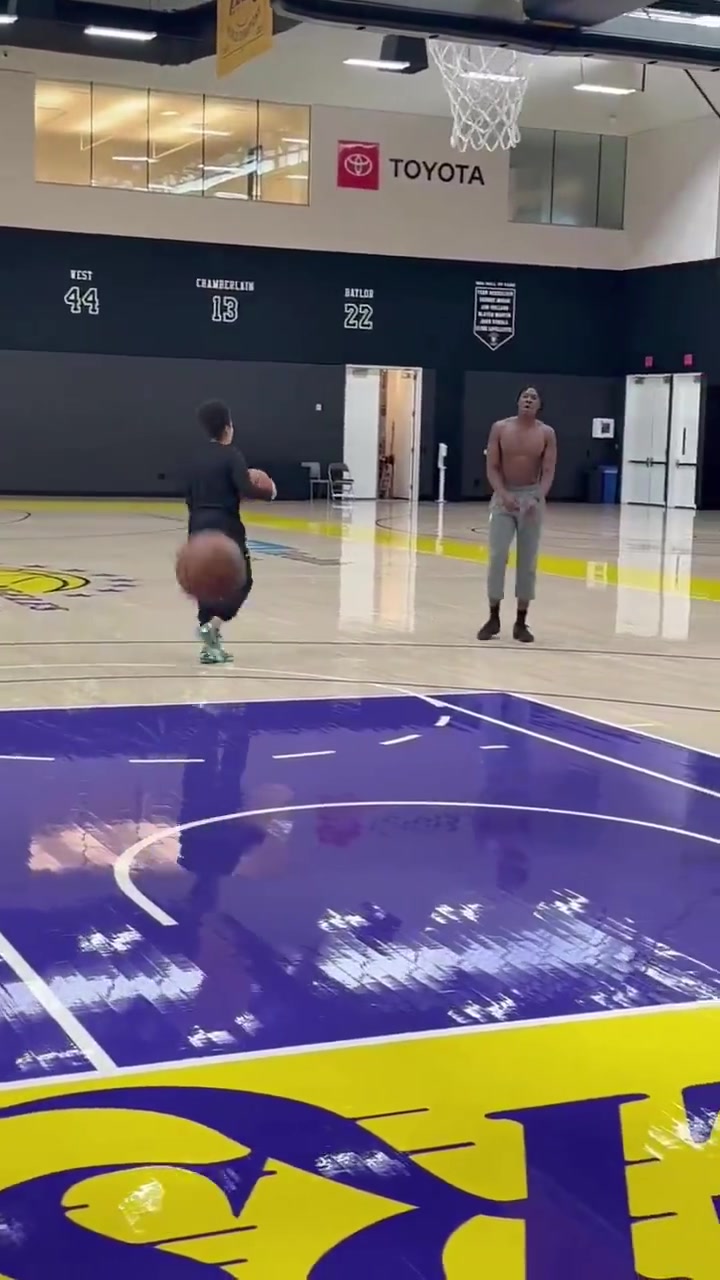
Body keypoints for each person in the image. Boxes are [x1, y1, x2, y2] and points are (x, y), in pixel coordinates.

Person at [186, 399, 276, 664]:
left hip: (197, 524)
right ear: (227, 427)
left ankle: (209, 646)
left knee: (205, 582)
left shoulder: (195, 458)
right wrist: (269, 492)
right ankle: (213, 626)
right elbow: (246, 488)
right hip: (225, 525)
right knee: (242, 580)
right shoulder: (231, 455)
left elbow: (188, 497)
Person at [477, 387, 556, 644]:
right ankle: (493, 616)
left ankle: (521, 621)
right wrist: (502, 493)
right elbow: (492, 467)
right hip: (504, 495)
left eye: (533, 398)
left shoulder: (546, 433)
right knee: (497, 555)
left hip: (530, 496)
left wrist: (537, 497)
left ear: (539, 405)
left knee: (527, 560)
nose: (528, 400)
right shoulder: (500, 428)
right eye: (525, 396)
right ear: (518, 401)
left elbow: (548, 470)